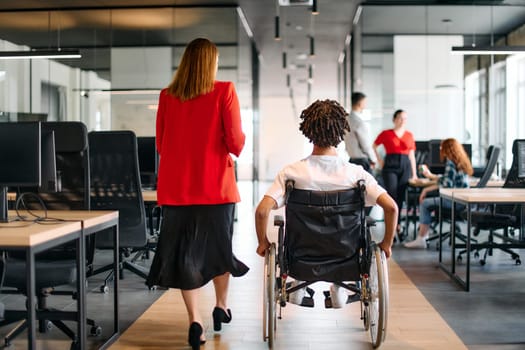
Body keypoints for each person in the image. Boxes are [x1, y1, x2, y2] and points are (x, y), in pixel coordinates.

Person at [146, 38, 249, 350]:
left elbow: (161, 146)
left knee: (184, 256)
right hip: (216, 188)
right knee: (218, 250)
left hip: (177, 190)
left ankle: (195, 321)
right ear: (211, 63)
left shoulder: (166, 96)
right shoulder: (224, 90)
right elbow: (236, 144)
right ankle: (221, 305)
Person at [254, 99, 398, 307]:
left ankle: (300, 283)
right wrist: (386, 244)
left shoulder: (292, 173)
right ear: (341, 132)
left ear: (308, 131)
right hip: (346, 256)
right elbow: (391, 207)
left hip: (300, 257)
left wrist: (262, 243)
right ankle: (340, 287)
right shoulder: (356, 174)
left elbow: (261, 211)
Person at [404, 138, 473, 248]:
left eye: (442, 147)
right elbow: (448, 179)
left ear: (448, 149)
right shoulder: (460, 161)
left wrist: (426, 189)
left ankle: (421, 238)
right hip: (463, 201)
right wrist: (431, 176)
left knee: (425, 203)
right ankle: (423, 236)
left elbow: (446, 184)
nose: (440, 149)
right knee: (428, 201)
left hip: (454, 201)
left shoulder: (450, 163)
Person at [373, 109, 418, 239]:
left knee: (401, 197)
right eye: (400, 118)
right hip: (390, 165)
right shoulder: (386, 133)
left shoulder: (409, 135)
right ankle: (394, 227)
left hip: (405, 166)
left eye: (405, 118)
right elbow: (374, 146)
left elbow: (411, 155)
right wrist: (379, 160)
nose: (403, 121)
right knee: (392, 196)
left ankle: (396, 226)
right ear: (394, 119)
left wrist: (414, 174)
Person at [344, 92, 377, 173]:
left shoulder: (346, 120)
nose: (365, 105)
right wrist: (373, 159)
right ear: (360, 103)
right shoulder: (359, 122)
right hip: (362, 162)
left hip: (351, 160)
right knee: (368, 185)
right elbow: (365, 146)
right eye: (365, 102)